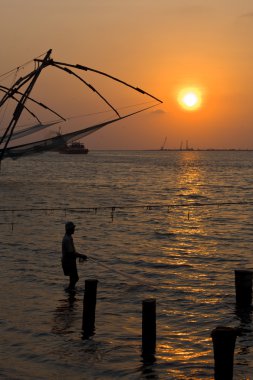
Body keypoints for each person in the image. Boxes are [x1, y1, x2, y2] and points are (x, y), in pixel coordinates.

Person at [61, 221, 87, 291]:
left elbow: (72, 252)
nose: (74, 229)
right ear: (69, 229)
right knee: (75, 278)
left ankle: (70, 293)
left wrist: (80, 255)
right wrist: (81, 255)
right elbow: (71, 253)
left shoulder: (68, 237)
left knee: (74, 278)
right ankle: (70, 292)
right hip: (68, 262)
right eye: (73, 228)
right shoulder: (67, 239)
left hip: (69, 261)